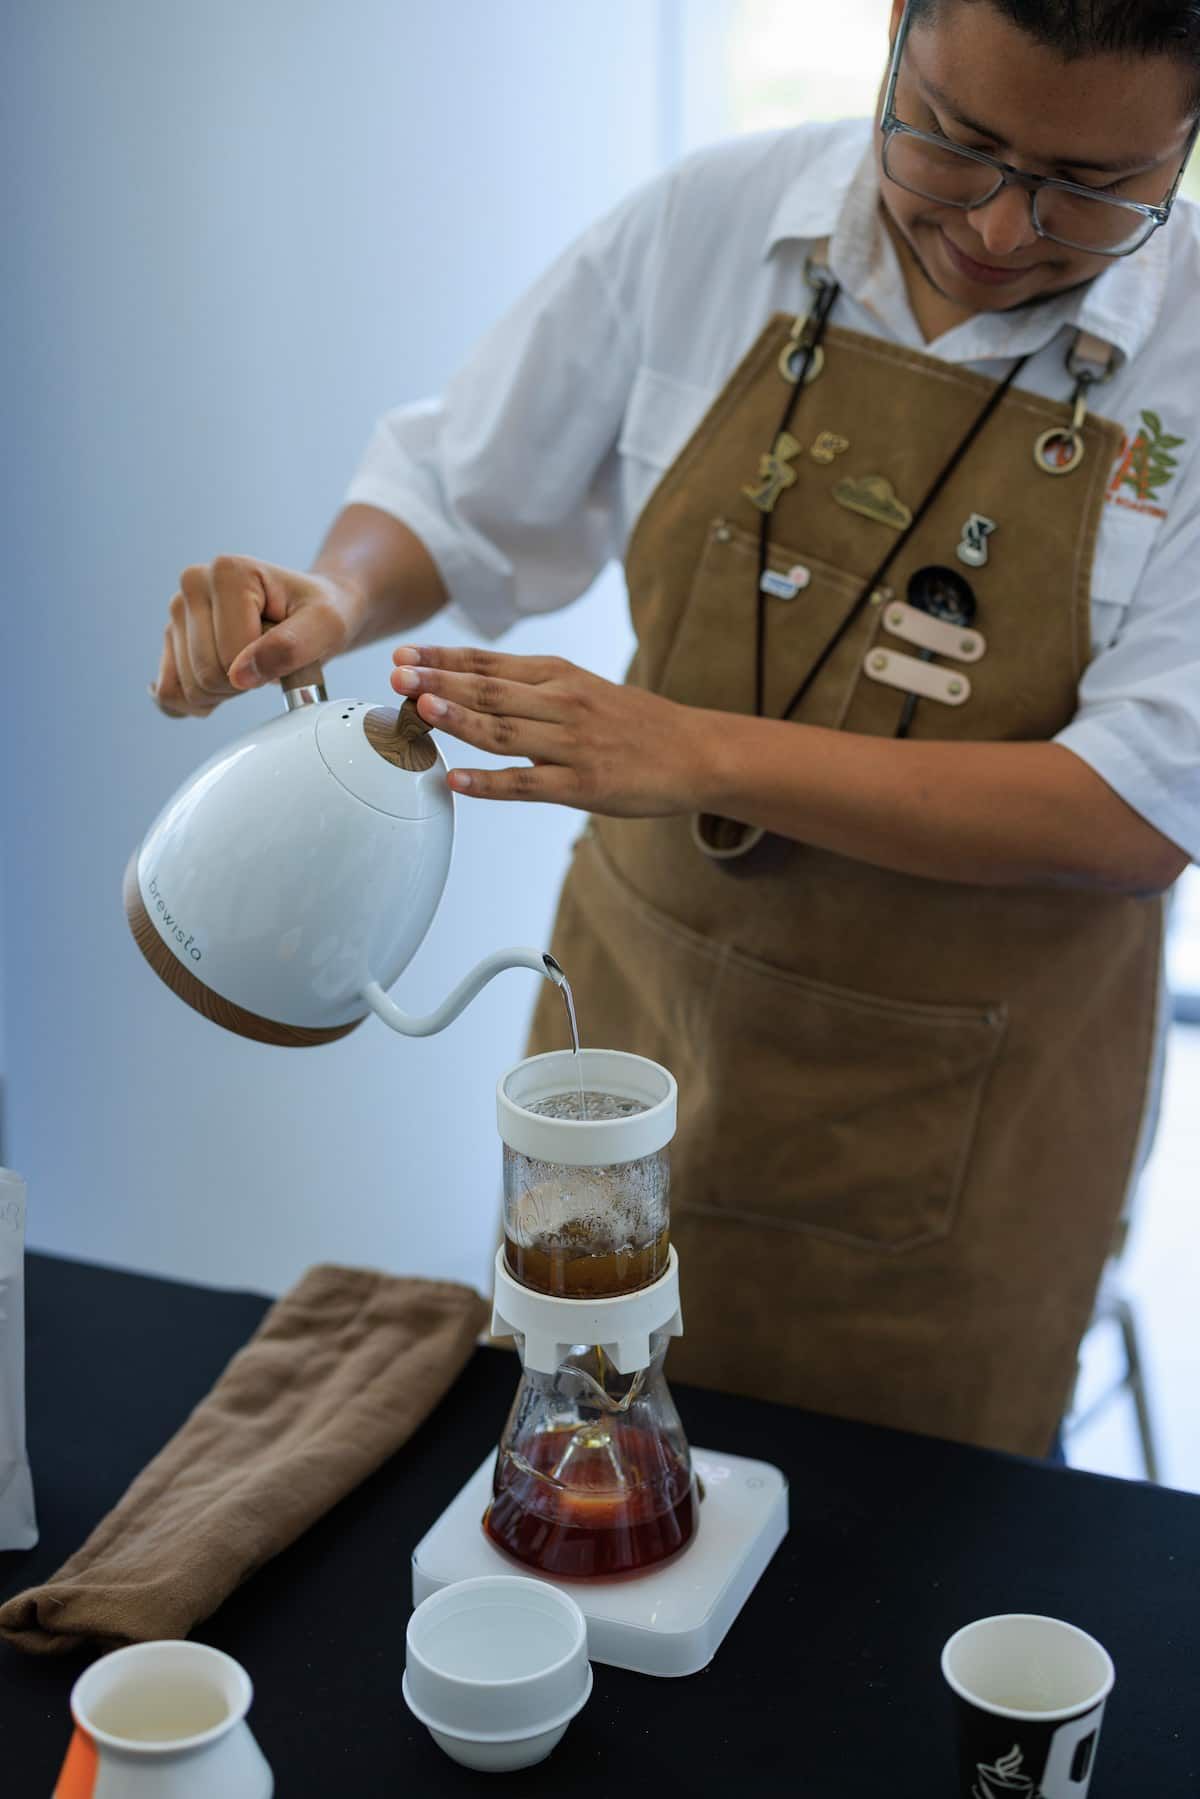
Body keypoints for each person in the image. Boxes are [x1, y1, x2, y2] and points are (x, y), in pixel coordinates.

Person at [148, 0, 1200, 1459]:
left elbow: (1136, 809)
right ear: (896, 33)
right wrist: (331, 599)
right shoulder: (720, 223)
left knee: (877, 1590)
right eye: (960, 141)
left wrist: (696, 750)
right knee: (584, 1478)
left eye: (1097, 187)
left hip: (967, 1134)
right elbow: (463, 490)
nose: (1009, 226)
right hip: (631, 1026)